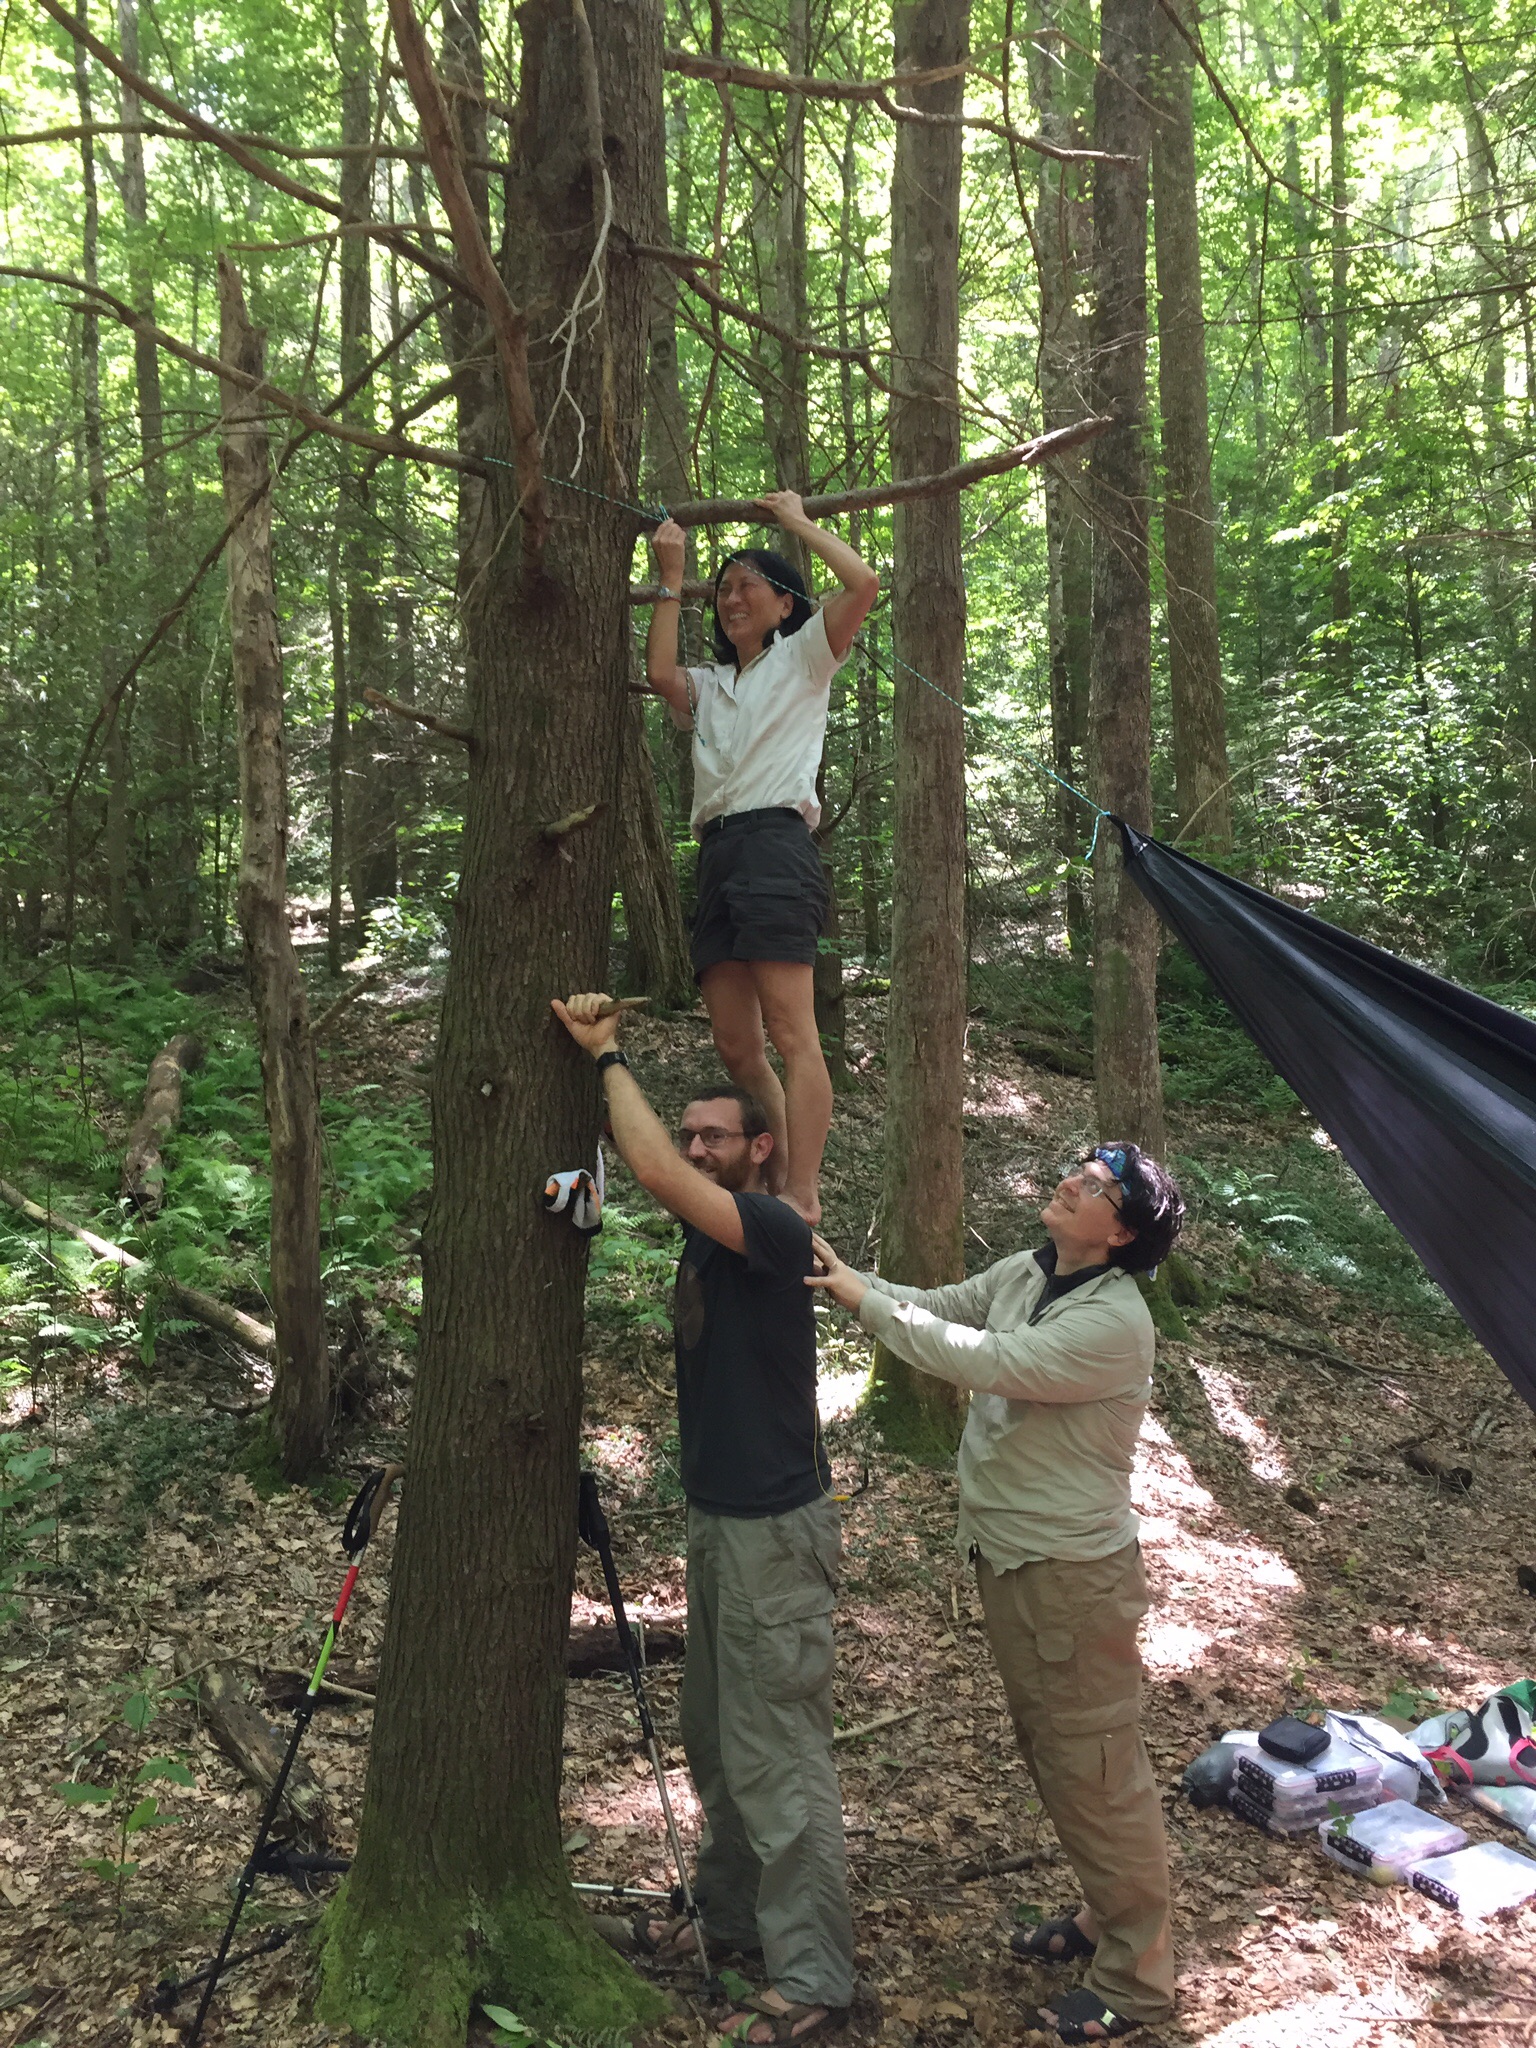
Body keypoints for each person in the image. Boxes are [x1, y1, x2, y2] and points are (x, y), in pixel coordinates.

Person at [806, 1146, 1186, 2046]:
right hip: (1017, 1561)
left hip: (1072, 1577)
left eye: (1096, 1186)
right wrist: (843, 1274)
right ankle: (1104, 1916)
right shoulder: (1029, 1271)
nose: (1071, 1182)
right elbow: (941, 1307)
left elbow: (986, 1360)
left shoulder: (1114, 1321)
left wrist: (862, 1302)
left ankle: (1136, 1980)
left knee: (1095, 1768)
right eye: (1077, 1169)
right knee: (1060, 1757)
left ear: (1121, 1232)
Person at [552, 990, 854, 2047]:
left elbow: (652, 1171)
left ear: (761, 1148)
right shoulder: (712, 1232)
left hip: (775, 1532)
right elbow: (648, 1173)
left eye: (714, 1136)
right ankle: (731, 1921)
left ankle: (813, 1976)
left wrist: (606, 1056)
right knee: (720, 1743)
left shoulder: (771, 1225)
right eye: (688, 1134)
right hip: (724, 1523)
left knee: (777, 1756)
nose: (694, 1149)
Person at [643, 492, 879, 1226]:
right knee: (737, 1044)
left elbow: (863, 584)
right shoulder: (710, 685)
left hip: (776, 845)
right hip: (718, 852)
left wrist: (797, 523)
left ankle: (803, 1192)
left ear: (785, 605)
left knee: (792, 1032)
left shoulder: (805, 656)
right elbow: (660, 674)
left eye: (749, 585)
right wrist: (672, 575)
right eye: (724, 589)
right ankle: (774, 1180)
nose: (732, 598)